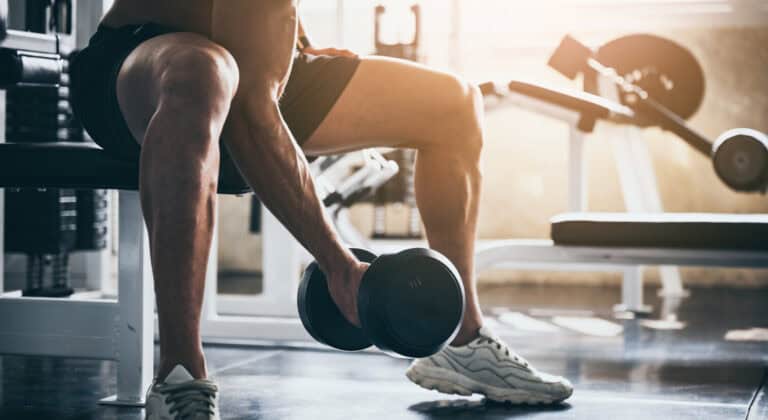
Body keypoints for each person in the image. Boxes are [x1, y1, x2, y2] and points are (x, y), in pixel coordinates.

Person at [69, 1, 573, 418]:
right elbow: (249, 115)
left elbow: (253, 34)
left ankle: (462, 340)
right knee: (203, 71)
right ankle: (180, 376)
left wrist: (295, 46)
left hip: (243, 68)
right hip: (139, 62)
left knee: (453, 103)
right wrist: (339, 264)